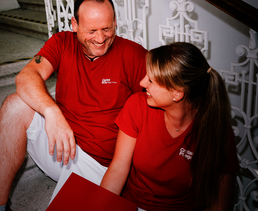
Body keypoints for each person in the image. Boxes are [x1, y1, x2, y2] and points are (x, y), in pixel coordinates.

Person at [0, 0, 147, 210]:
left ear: (115, 22)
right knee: (14, 104)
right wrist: (52, 113)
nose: (100, 39)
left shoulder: (134, 54)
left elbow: (160, 106)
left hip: (99, 166)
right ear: (74, 24)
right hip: (60, 147)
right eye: (91, 30)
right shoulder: (62, 42)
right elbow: (25, 77)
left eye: (106, 29)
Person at [100, 42, 239, 211]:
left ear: (177, 93)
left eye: (151, 80)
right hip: (133, 204)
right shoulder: (137, 105)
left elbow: (220, 204)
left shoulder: (217, 132)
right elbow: (117, 169)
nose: (142, 82)